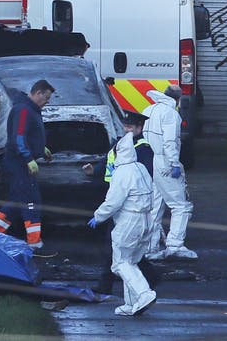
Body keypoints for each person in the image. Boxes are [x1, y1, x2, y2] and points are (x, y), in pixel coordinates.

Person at [83, 110, 159, 295]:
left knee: (116, 244)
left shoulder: (143, 149)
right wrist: (96, 169)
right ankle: (149, 277)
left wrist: (100, 215)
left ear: (139, 128)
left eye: (130, 127)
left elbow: (142, 177)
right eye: (125, 126)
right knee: (126, 249)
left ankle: (108, 284)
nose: (126, 130)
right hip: (115, 195)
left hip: (126, 203)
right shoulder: (121, 144)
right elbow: (110, 161)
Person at [0, 80, 55, 249]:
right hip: (19, 163)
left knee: (16, 200)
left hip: (19, 162)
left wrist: (41, 148)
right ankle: (33, 242)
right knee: (31, 200)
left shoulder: (30, 109)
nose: (47, 101)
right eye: (46, 97)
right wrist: (28, 159)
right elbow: (18, 137)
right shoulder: (24, 111)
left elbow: (29, 134)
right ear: (38, 93)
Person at [142, 85, 197, 260]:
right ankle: (175, 245)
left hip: (152, 161)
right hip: (165, 161)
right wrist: (173, 163)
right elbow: (170, 141)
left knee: (155, 206)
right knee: (181, 205)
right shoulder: (171, 114)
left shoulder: (149, 109)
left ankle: (150, 247)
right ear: (178, 100)